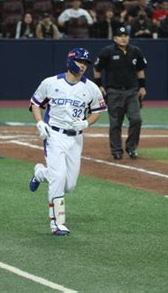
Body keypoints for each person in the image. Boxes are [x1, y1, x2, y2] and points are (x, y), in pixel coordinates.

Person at [28, 48, 107, 236]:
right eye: (80, 61)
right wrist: (40, 123)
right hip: (54, 136)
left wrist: (86, 122)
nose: (83, 65)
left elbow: (97, 111)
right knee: (58, 177)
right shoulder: (50, 83)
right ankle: (57, 223)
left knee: (69, 184)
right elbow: (35, 104)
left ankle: (40, 173)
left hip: (76, 138)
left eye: (86, 63)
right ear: (71, 60)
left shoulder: (91, 88)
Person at [93, 26, 148, 160]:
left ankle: (131, 147)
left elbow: (140, 70)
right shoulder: (107, 51)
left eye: (125, 36)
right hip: (114, 91)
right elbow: (97, 69)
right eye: (120, 36)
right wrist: (99, 86)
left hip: (131, 91)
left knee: (136, 119)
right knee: (116, 123)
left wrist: (142, 87)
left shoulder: (136, 51)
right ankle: (116, 150)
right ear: (115, 38)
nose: (123, 38)